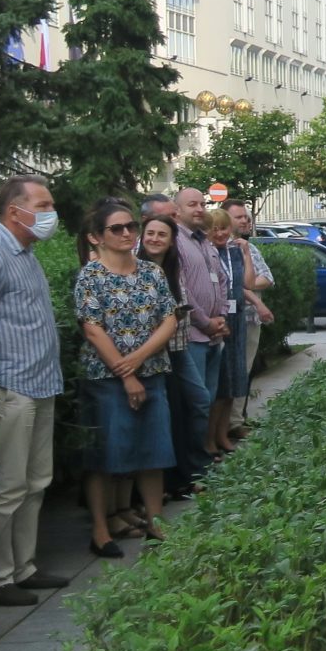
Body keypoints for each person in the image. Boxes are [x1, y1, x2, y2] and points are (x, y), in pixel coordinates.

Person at [0, 175, 68, 609]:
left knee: (35, 481)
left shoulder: (26, 253)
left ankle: (24, 567)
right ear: (14, 211)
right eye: (42, 206)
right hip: (9, 386)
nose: (50, 214)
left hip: (40, 382)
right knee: (7, 486)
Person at [71, 201, 177, 555]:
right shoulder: (91, 276)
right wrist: (126, 373)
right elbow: (92, 328)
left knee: (154, 450)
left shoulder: (151, 272)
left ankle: (156, 523)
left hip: (152, 372)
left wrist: (138, 359)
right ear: (96, 237)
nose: (127, 233)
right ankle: (100, 530)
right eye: (116, 228)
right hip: (105, 379)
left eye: (131, 226)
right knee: (105, 454)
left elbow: (169, 319)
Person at [166, 189, 230, 490]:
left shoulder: (204, 240)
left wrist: (222, 318)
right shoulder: (176, 241)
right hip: (193, 335)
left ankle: (201, 461)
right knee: (197, 402)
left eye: (203, 204)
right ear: (176, 211)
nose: (200, 209)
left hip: (214, 336)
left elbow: (222, 280)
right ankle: (192, 469)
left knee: (208, 401)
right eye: (192, 204)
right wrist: (206, 322)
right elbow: (182, 290)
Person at [137, 213, 196, 503]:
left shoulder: (172, 269)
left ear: (172, 241)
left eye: (162, 234)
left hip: (174, 351)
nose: (155, 239)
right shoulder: (135, 269)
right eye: (150, 233)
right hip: (146, 357)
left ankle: (179, 480)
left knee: (178, 415)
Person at [223, 204, 276, 432]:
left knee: (244, 369)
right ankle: (230, 424)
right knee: (230, 372)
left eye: (246, 217)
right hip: (230, 320)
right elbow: (233, 283)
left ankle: (237, 419)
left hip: (252, 320)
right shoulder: (220, 248)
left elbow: (267, 278)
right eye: (239, 217)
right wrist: (251, 287)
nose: (245, 220)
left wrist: (250, 284)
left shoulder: (249, 247)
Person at [204, 207, 246, 455]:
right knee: (219, 387)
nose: (220, 233)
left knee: (233, 383)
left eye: (224, 228)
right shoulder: (207, 253)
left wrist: (247, 253)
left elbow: (247, 283)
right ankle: (209, 440)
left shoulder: (235, 252)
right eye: (215, 229)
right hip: (218, 321)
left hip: (237, 320)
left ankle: (223, 435)